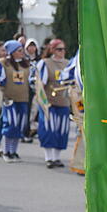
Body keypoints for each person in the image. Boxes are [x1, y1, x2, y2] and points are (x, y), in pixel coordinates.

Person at [35, 39, 72, 168]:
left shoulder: (68, 64)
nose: (62, 52)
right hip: (49, 103)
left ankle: (56, 158)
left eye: (63, 49)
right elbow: (39, 84)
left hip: (64, 102)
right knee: (48, 129)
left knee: (61, 130)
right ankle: (48, 157)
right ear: (52, 50)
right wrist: (43, 102)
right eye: (59, 49)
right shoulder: (45, 63)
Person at [0, 40, 32, 162]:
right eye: (19, 50)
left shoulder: (26, 64)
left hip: (23, 99)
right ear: (11, 52)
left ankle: (14, 151)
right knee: (11, 123)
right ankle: (6, 151)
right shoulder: (3, 63)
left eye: (22, 50)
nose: (22, 52)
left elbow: (32, 80)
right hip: (9, 99)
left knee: (20, 125)